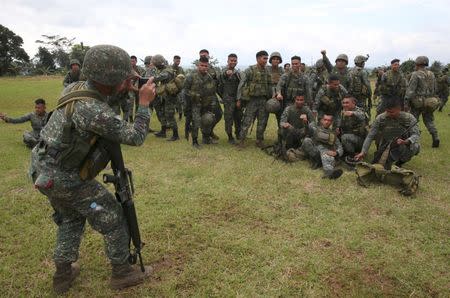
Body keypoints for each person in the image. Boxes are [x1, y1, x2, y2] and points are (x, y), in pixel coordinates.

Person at [29, 45, 156, 294]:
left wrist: (122, 89)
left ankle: (63, 275)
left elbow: (102, 100)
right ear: (110, 79)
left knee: (72, 218)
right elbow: (136, 136)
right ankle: (122, 272)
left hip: (43, 170)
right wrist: (143, 103)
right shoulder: (91, 111)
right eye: (122, 77)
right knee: (112, 215)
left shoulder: (75, 88)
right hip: (65, 178)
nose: (125, 80)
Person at [355, 98, 420, 168]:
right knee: (380, 163)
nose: (388, 114)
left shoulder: (409, 118)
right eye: (387, 111)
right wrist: (363, 152)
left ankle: (400, 162)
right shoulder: (380, 118)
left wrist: (406, 141)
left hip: (404, 142)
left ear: (400, 109)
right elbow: (370, 136)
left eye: (392, 112)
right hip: (387, 143)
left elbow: (416, 135)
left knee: (414, 147)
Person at [237, 50, 272, 148]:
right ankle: (241, 141)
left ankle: (259, 140)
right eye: (264, 58)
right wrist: (239, 99)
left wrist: (272, 96)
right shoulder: (250, 70)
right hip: (252, 100)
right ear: (258, 58)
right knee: (246, 121)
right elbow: (242, 84)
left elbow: (269, 85)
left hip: (263, 100)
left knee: (262, 121)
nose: (266, 61)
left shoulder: (267, 71)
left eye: (267, 59)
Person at [405, 56, 440, 147]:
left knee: (413, 121)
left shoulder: (416, 74)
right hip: (429, 102)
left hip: (417, 103)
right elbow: (435, 88)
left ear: (417, 64)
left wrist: (406, 102)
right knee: (429, 121)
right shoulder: (431, 74)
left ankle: (411, 139)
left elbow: (410, 90)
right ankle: (435, 137)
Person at [184, 56, 217, 147]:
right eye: (202, 65)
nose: (204, 67)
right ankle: (195, 141)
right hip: (194, 104)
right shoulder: (191, 76)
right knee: (196, 121)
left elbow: (212, 92)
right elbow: (185, 91)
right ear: (198, 65)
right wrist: (194, 96)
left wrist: (212, 103)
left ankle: (206, 138)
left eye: (206, 66)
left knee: (209, 119)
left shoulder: (209, 77)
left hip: (205, 105)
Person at [300, 114, 344, 179]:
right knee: (306, 140)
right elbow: (308, 129)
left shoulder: (333, 134)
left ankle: (329, 173)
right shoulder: (316, 129)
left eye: (329, 120)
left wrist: (336, 153)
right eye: (325, 120)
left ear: (331, 122)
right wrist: (305, 122)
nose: (326, 122)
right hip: (315, 152)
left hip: (325, 153)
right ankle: (316, 162)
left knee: (327, 155)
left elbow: (340, 148)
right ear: (321, 121)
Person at [275, 56, 312, 126]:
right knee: (285, 121)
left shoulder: (305, 78)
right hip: (288, 103)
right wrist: (279, 93)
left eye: (296, 64)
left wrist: (309, 106)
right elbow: (279, 86)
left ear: (300, 64)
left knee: (300, 122)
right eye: (293, 64)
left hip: (301, 103)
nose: (294, 65)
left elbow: (308, 93)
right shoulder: (286, 76)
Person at [217, 53, 242, 144]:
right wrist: (223, 97)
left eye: (235, 61)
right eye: (231, 60)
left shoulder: (238, 72)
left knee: (238, 117)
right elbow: (220, 80)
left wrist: (239, 99)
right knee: (228, 118)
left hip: (237, 99)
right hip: (228, 100)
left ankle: (238, 133)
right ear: (228, 61)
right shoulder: (224, 71)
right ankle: (230, 136)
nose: (233, 62)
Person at [199, 49, 222, 140]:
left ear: (209, 56)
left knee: (219, 114)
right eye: (202, 55)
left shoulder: (212, 69)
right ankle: (206, 135)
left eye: (205, 55)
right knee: (206, 117)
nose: (204, 56)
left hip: (213, 96)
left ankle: (210, 131)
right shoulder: (198, 68)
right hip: (202, 98)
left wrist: (221, 96)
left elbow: (217, 83)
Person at [172, 55, 185, 119]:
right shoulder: (170, 68)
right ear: (173, 60)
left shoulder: (180, 68)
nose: (178, 62)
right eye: (177, 61)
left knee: (179, 102)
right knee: (171, 103)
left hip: (179, 88)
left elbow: (184, 76)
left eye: (179, 61)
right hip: (172, 88)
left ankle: (180, 115)